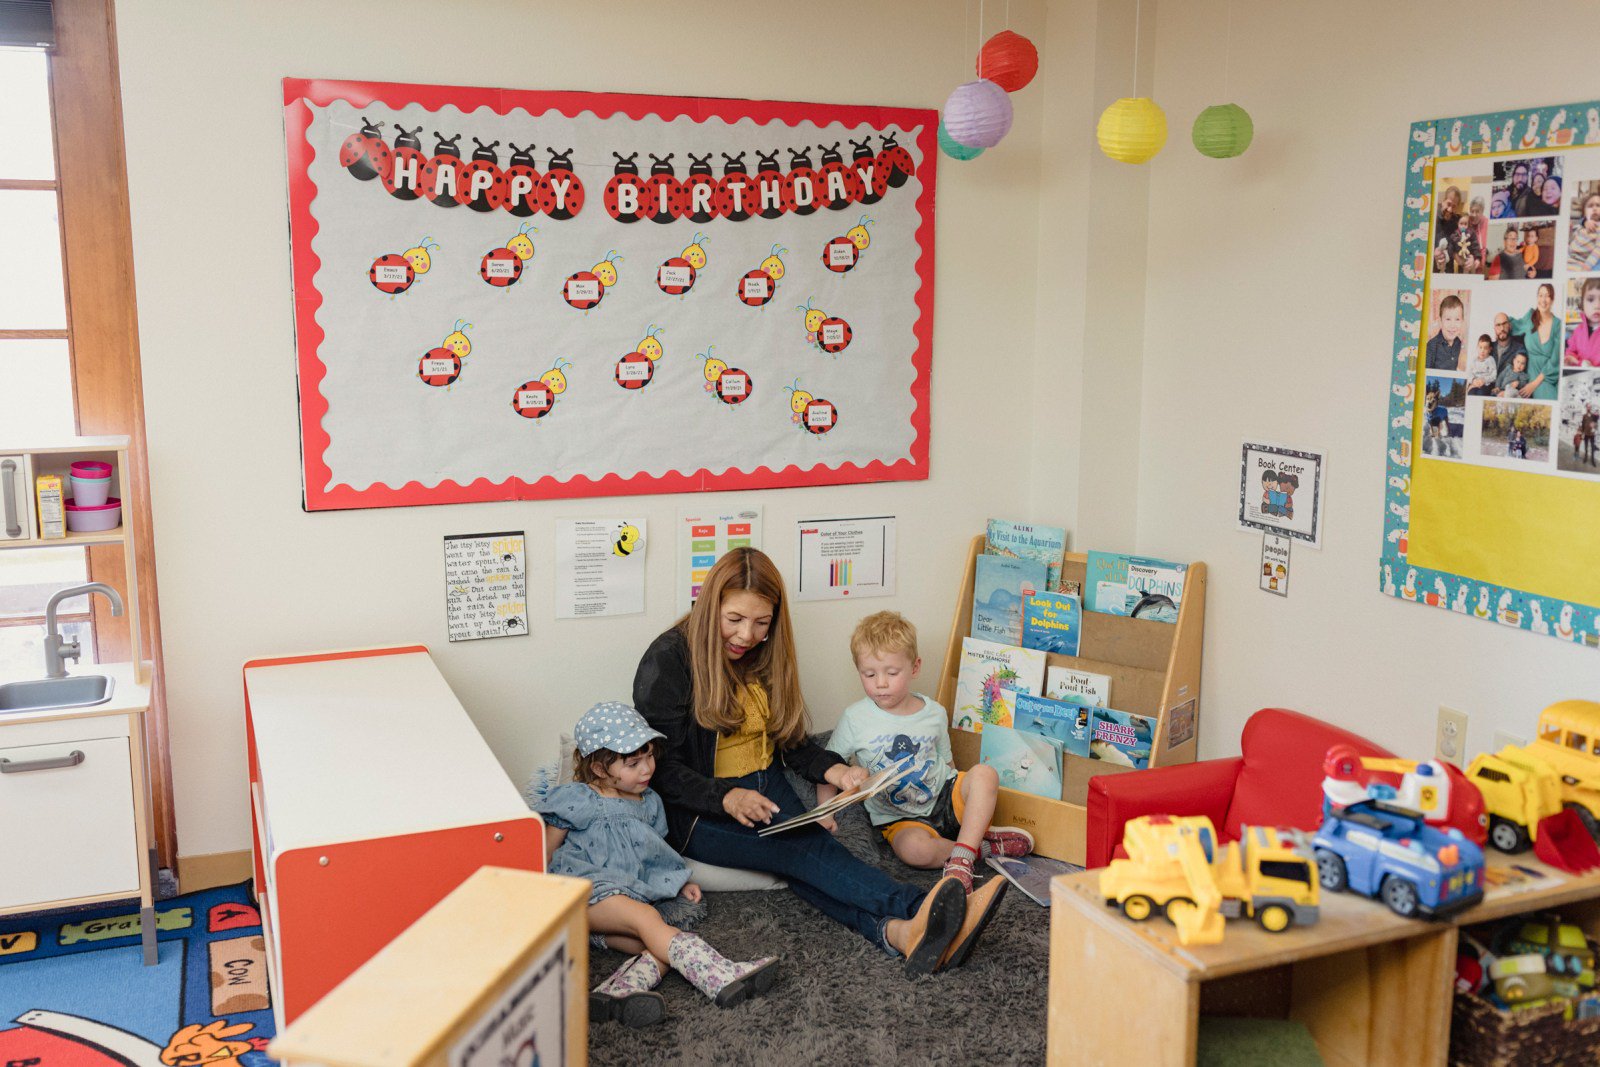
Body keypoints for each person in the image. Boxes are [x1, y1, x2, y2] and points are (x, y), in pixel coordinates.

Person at [632, 547, 1004, 978]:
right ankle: (928, 909)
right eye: (734, 620)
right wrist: (728, 797)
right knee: (803, 850)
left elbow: (790, 742)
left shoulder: (763, 655)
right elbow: (662, 770)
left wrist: (837, 771)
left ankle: (901, 934)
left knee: (811, 858)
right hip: (701, 809)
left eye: (762, 623)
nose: (747, 635)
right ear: (708, 603)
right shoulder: (668, 658)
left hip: (765, 786)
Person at [539, 701, 779, 1027]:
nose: (646, 769)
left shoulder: (649, 802)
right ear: (599, 769)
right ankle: (719, 974)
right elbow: (544, 852)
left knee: (656, 940)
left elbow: (656, 852)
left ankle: (619, 992)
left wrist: (679, 880)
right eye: (633, 763)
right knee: (649, 919)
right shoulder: (580, 798)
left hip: (620, 898)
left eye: (649, 756)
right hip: (581, 893)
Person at [818, 611, 1034, 893]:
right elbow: (828, 766)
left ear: (915, 667)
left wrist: (967, 798)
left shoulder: (934, 712)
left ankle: (960, 860)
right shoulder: (855, 718)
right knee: (915, 852)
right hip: (899, 818)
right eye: (869, 674)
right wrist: (824, 813)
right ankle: (979, 848)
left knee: (984, 774)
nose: (880, 683)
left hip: (943, 796)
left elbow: (948, 763)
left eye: (891, 673)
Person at [1508, 282, 1563, 398]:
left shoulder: (1558, 325)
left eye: (1547, 296)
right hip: (1532, 372)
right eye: (1540, 295)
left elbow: (1555, 361)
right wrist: (1502, 319)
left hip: (1549, 374)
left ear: (1552, 300)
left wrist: (1534, 384)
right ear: (1537, 297)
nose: (1543, 300)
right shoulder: (1530, 317)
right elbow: (1515, 326)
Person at [1566, 276, 1600, 368]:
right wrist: (1570, 357)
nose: (1597, 305)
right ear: (1582, 303)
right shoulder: (1578, 331)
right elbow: (1571, 351)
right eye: (1590, 299)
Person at [1425, 294, 1466, 371]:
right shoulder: (1432, 346)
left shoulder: (1459, 343)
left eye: (1457, 319)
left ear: (1462, 322)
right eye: (1448, 319)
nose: (1452, 325)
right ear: (1440, 321)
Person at [1570, 191, 1600, 272]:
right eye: (1590, 206)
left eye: (1598, 205)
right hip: (1569, 257)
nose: (1594, 208)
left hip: (1582, 262)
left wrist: (1587, 266)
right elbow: (1573, 237)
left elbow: (1598, 250)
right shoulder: (1581, 225)